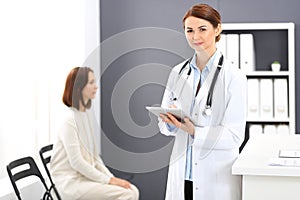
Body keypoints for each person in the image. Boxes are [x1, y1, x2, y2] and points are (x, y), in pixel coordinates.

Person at [158, 4, 247, 200]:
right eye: (189, 30)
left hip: (215, 178)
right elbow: (164, 127)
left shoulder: (234, 76)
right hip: (182, 175)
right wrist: (170, 122)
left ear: (217, 29)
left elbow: (234, 136)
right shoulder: (177, 72)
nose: (195, 36)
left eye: (202, 29)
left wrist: (194, 131)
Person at [50, 67, 139, 200]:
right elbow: (77, 163)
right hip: (71, 184)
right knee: (128, 194)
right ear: (78, 87)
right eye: (91, 83)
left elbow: (94, 158)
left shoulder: (85, 117)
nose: (96, 87)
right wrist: (109, 181)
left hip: (86, 178)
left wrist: (112, 178)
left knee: (132, 190)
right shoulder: (69, 120)